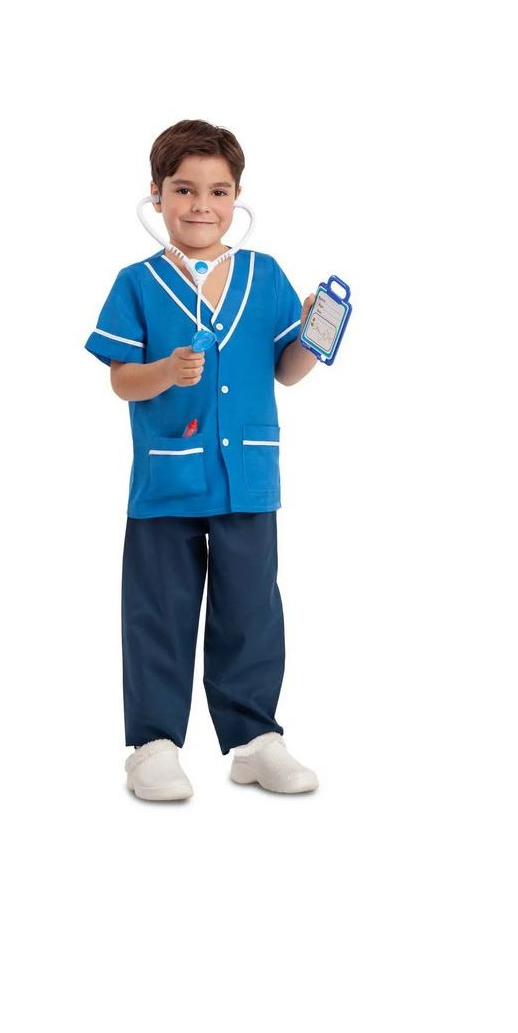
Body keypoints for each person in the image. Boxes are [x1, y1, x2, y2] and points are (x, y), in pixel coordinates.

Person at [85, 119, 321, 800]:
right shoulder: (136, 283)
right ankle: (153, 746)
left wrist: (312, 338)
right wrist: (164, 372)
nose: (200, 206)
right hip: (168, 477)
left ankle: (255, 740)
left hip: (248, 475)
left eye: (218, 191)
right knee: (159, 607)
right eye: (184, 189)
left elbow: (287, 370)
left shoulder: (264, 275)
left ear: (237, 196)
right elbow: (121, 380)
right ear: (156, 194)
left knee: (251, 608)